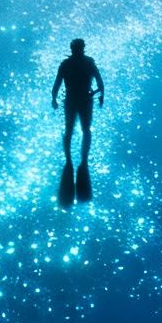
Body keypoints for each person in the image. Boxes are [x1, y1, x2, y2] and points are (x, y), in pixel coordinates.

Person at [51, 39, 105, 206]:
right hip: (81, 100)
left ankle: (74, 160)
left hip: (75, 100)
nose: (77, 50)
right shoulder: (86, 63)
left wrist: (54, 98)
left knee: (75, 130)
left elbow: (57, 83)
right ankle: (79, 160)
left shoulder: (69, 64)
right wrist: (98, 94)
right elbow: (100, 82)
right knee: (80, 130)